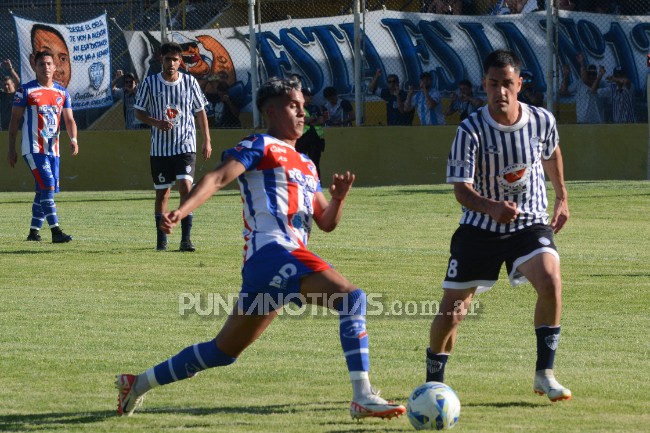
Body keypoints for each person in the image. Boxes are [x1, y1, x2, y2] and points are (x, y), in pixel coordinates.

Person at [115, 77, 407, 421]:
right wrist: (183, 209)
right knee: (351, 297)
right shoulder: (260, 145)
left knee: (222, 352)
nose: (301, 112)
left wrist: (339, 198)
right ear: (270, 111)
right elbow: (218, 178)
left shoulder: (308, 165)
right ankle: (362, 396)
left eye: (303, 106)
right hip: (274, 252)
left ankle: (137, 383)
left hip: (270, 266)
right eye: (293, 106)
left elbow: (326, 222)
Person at [426, 49, 572, 403]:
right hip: (480, 228)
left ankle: (544, 374)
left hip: (529, 223)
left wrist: (562, 196)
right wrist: (490, 207)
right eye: (494, 84)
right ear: (485, 85)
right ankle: (433, 383)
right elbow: (461, 189)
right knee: (453, 313)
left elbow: (551, 153)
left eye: (508, 84)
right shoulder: (470, 129)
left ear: (519, 84)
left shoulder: (541, 121)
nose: (501, 92)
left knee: (551, 279)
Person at [134, 42, 212, 252]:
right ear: (161, 59)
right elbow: (138, 112)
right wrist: (156, 122)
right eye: (168, 59)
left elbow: (200, 111)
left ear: (180, 62)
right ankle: (161, 241)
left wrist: (207, 140)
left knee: (186, 187)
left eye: (175, 59)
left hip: (185, 144)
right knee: (163, 193)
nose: (171, 63)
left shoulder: (190, 82)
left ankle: (186, 239)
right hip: (160, 148)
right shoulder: (150, 83)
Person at [6, 51, 78, 243]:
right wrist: (11, 149)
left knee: (44, 191)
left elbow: (69, 119)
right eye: (41, 64)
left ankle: (33, 232)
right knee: (47, 185)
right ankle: (56, 232)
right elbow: (14, 121)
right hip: (33, 148)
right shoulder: (25, 91)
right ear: (35, 67)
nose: (45, 67)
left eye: (48, 64)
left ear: (54, 67)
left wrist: (73, 140)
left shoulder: (62, 92)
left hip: (53, 150)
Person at [562, 52, 607, 124]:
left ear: (596, 74)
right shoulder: (579, 83)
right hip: (581, 121)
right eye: (589, 74)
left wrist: (582, 63)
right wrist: (566, 76)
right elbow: (564, 91)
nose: (592, 76)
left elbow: (587, 83)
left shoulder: (600, 83)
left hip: (596, 121)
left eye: (594, 74)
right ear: (587, 73)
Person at [296, 87, 325, 178]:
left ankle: (317, 184)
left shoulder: (315, 107)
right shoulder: (297, 108)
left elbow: (321, 120)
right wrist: (312, 119)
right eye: (308, 95)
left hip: (315, 138)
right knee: (300, 161)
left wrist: (310, 121)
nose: (311, 97)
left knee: (315, 163)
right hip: (302, 138)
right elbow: (301, 120)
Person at [30, 24, 70, 89]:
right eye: (43, 63)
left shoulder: (63, 93)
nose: (58, 69)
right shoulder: (25, 91)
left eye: (63, 59)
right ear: (33, 63)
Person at [1, 59, 21, 130]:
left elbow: (19, 83)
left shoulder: (18, 94)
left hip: (18, 128)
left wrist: (10, 69)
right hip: (5, 128)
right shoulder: (2, 96)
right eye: (4, 85)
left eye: (8, 84)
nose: (6, 87)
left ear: (13, 84)